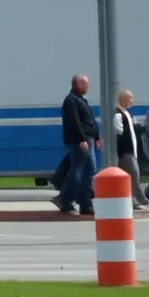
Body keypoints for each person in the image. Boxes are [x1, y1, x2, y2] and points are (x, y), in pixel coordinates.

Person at [58, 74, 99, 215]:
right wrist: (81, 139)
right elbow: (74, 122)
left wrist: (97, 136)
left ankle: (83, 202)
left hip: (88, 138)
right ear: (78, 84)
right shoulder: (71, 101)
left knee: (87, 169)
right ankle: (67, 200)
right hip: (80, 140)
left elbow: (90, 119)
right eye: (86, 84)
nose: (88, 86)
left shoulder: (81, 100)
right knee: (80, 169)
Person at [113, 89, 148, 210]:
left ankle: (135, 199)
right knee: (134, 173)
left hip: (131, 150)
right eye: (130, 98)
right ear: (123, 99)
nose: (132, 101)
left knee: (130, 175)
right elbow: (118, 133)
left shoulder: (127, 113)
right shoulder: (118, 114)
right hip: (125, 151)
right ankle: (137, 200)